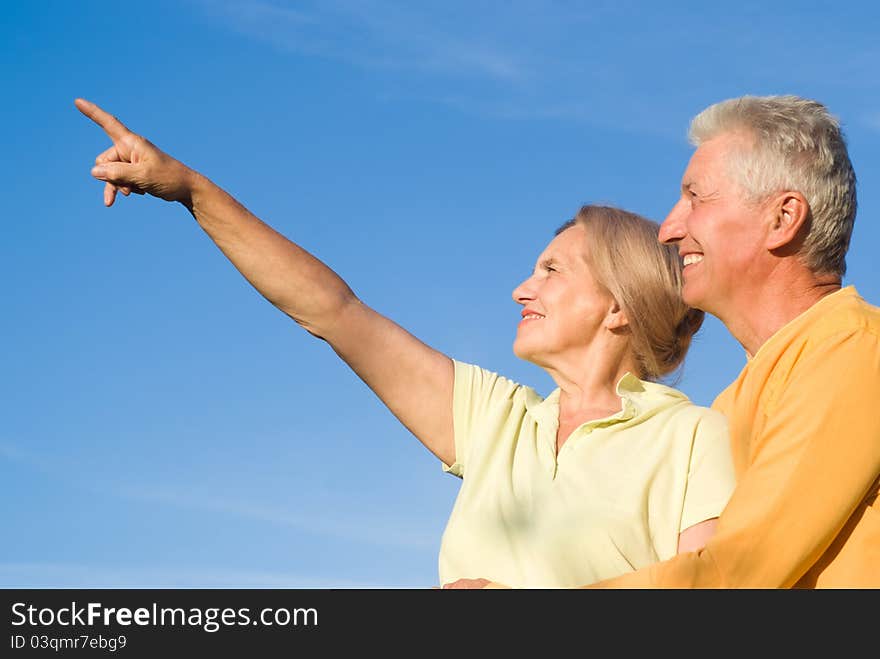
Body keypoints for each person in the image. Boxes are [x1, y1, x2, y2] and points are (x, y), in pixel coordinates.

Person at [74, 97, 735, 589]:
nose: (519, 289)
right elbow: (332, 311)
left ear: (618, 306)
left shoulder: (692, 440)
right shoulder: (497, 420)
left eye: (551, 270)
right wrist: (192, 190)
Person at [481, 94, 880, 589]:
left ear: (782, 219)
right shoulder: (730, 406)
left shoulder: (855, 351)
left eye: (697, 197)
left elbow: (734, 572)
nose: (669, 228)